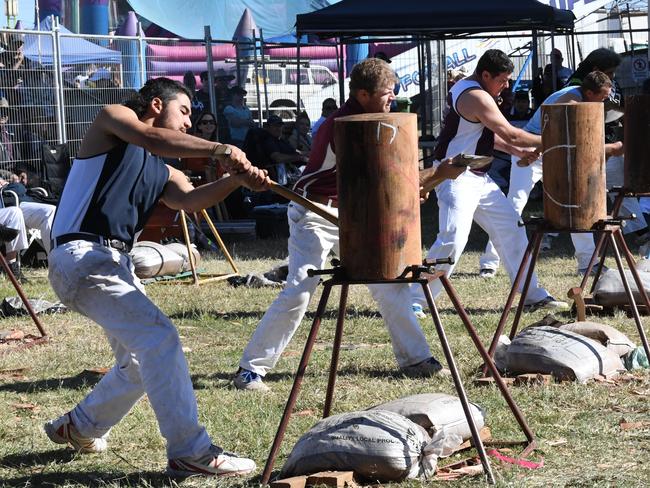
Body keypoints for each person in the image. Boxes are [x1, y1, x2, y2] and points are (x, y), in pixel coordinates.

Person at [43, 77, 270, 478]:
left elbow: (191, 200)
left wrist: (236, 179)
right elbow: (152, 137)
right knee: (160, 340)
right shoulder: (114, 119)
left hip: (111, 262)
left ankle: (78, 427)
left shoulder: (163, 170)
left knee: (138, 359)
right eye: (183, 111)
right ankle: (190, 451)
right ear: (154, 104)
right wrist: (221, 149)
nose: (188, 123)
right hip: (83, 254)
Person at [233, 58, 465, 392]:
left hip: (355, 212)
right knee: (300, 287)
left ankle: (415, 358)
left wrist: (415, 188)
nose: (391, 99)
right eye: (386, 93)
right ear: (362, 94)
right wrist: (435, 176)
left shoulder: (372, 118)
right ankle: (250, 369)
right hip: (315, 212)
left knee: (391, 282)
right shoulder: (346, 126)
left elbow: (388, 184)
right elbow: (381, 184)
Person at [411, 49, 569, 314]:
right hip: (455, 176)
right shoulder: (477, 96)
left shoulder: (471, 88)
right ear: (485, 74)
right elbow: (511, 133)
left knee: (512, 227)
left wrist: (517, 152)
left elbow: (484, 134)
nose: (506, 86)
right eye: (502, 80)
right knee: (452, 239)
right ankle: (414, 300)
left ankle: (532, 294)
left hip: (477, 177)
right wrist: (555, 141)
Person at [478, 71, 620, 279]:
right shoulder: (570, 101)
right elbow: (566, 137)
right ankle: (489, 262)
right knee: (514, 205)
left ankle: (587, 262)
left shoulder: (581, 98)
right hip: (534, 152)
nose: (606, 101)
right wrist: (610, 148)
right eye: (604, 96)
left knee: (574, 206)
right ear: (590, 92)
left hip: (555, 153)